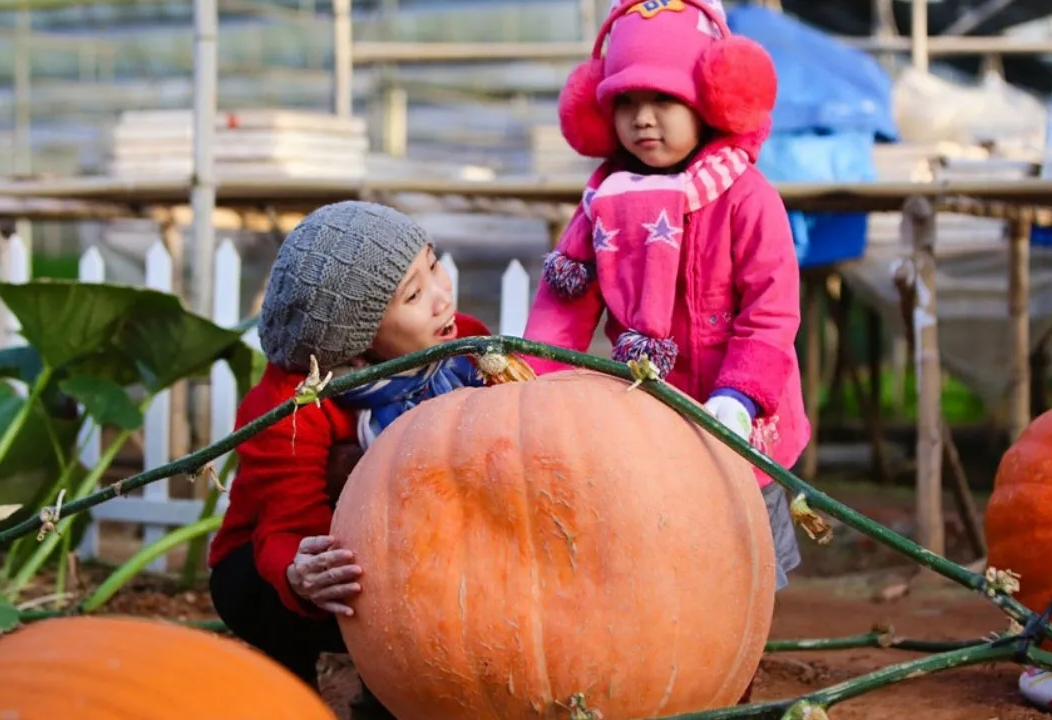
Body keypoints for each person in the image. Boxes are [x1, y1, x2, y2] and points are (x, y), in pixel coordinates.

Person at [521, 0, 809, 701]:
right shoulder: (604, 204)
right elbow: (564, 311)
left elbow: (770, 314)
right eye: (626, 101)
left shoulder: (746, 198)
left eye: (664, 99)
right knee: (659, 553)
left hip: (745, 418)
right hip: (650, 418)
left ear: (711, 98)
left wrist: (738, 399)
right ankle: (673, 672)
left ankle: (732, 679)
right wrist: (525, 386)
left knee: (741, 560)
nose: (643, 118)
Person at [208, 201, 490, 719]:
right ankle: (290, 685)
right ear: (356, 344)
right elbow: (285, 525)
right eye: (414, 293)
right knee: (275, 587)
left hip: (411, 554)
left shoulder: (468, 352)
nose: (442, 296)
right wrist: (301, 571)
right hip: (283, 563)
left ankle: (387, 695)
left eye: (433, 265)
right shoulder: (293, 405)